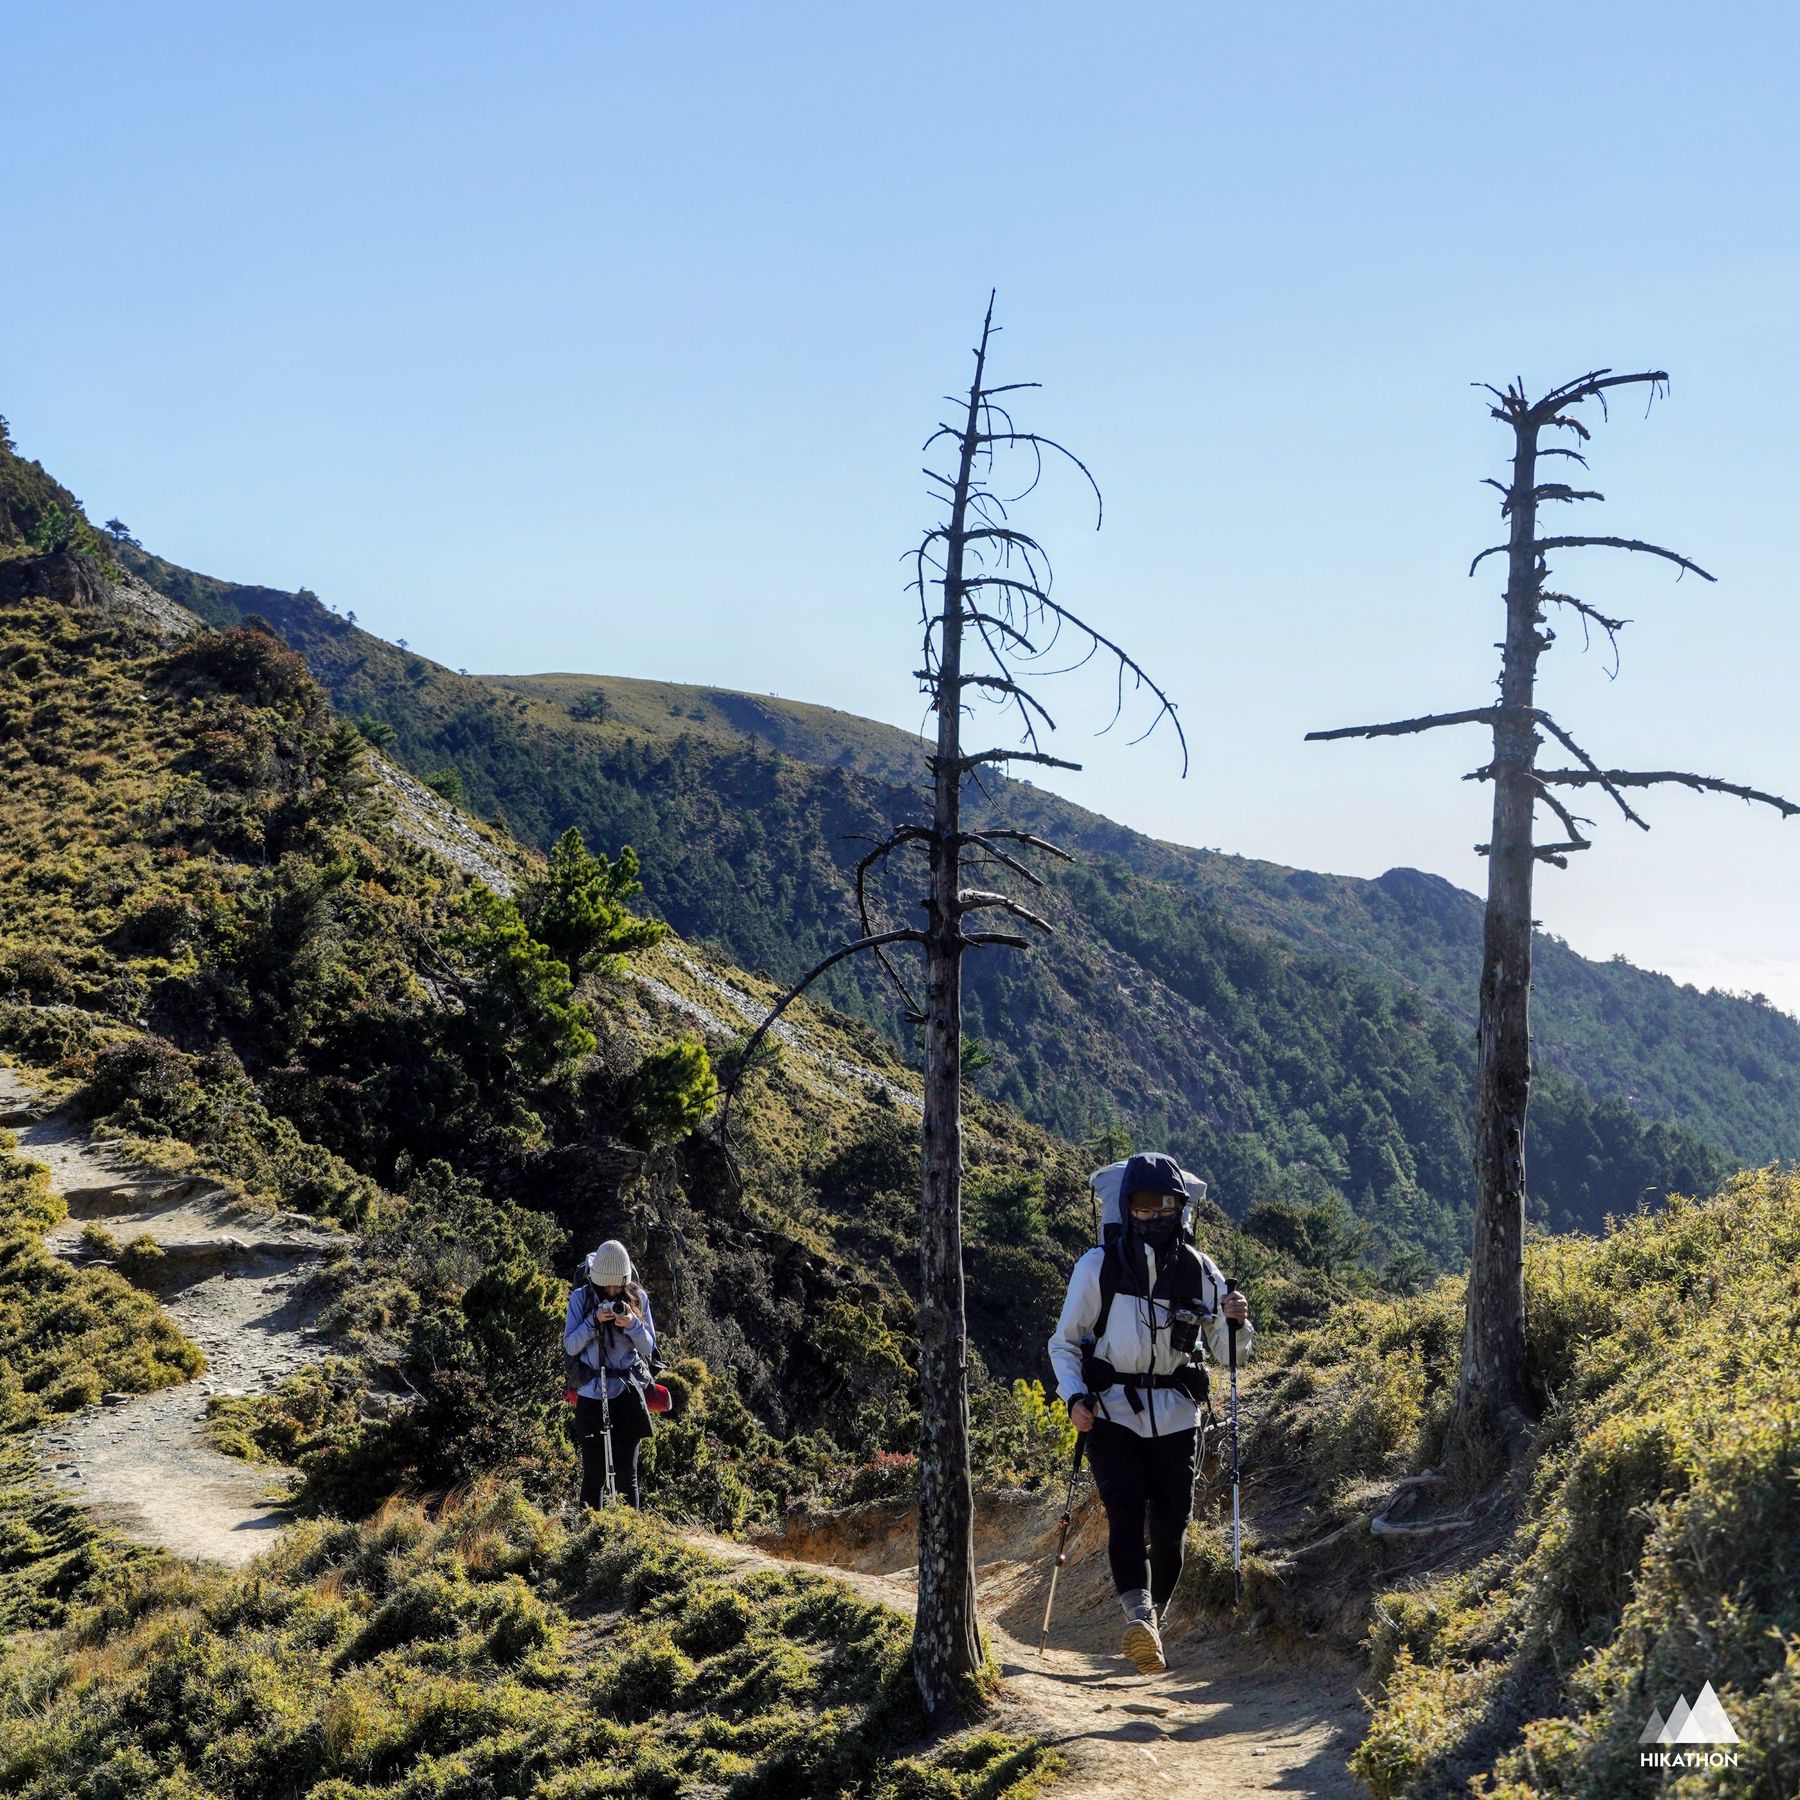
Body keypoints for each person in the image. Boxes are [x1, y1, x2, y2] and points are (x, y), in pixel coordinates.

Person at [1048, 1151, 1253, 1675]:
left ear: (1181, 1207)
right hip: (1111, 1412)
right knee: (1124, 1514)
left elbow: (1228, 1353)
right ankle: (1139, 1618)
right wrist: (1074, 1397)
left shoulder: (1201, 1271)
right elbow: (1065, 1343)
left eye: (1166, 1204)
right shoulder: (1098, 1267)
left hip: (1177, 1414)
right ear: (1127, 1206)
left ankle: (1150, 1624)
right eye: (1143, 1204)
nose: (1156, 1215)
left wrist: (1236, 1322)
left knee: (1171, 1525)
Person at [563, 1238, 657, 1508]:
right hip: (591, 1394)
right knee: (594, 1476)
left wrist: (633, 1324)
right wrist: (592, 1322)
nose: (613, 1291)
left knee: (628, 1476)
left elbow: (648, 1347)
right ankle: (591, 1530)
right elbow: (571, 1345)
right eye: (607, 1286)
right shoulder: (581, 1298)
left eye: (618, 1286)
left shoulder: (638, 1298)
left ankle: (629, 1531)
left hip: (627, 1393)